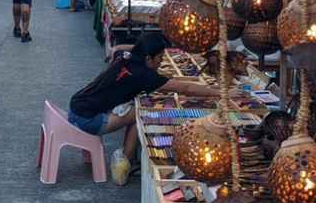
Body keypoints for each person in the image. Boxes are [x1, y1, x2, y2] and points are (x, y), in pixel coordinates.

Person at [69, 33, 226, 185]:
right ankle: (124, 164)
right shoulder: (143, 75)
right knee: (142, 114)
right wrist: (220, 93)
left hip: (77, 105)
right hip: (88, 120)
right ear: (148, 58)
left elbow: (119, 47)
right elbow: (185, 88)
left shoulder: (125, 56)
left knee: (136, 108)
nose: (162, 61)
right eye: (159, 58)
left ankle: (129, 157)